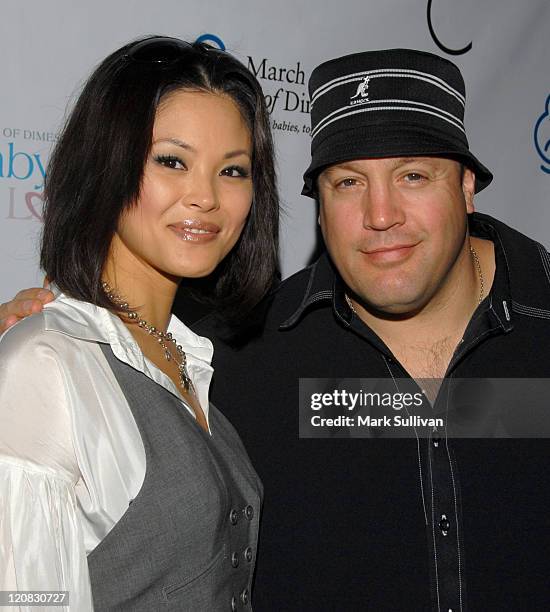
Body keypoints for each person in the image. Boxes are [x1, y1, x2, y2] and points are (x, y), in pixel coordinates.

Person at [3, 48, 550, 610]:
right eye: (347, 183)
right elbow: (25, 590)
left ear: (464, 186)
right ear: (317, 204)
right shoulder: (241, 354)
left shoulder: (192, 361)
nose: (381, 214)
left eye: (413, 176)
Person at [0, 36, 279, 611]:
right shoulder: (46, 365)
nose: (205, 196)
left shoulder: (187, 360)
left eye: (233, 170)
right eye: (172, 161)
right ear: (108, 162)